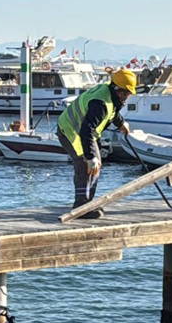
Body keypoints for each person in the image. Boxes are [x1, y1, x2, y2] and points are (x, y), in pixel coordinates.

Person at [57, 69, 135, 219]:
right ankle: (81, 207)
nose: (126, 97)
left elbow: (112, 111)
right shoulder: (100, 103)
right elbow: (86, 130)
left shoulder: (109, 93)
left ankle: (86, 204)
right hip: (72, 131)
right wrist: (91, 156)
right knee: (87, 165)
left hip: (81, 131)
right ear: (116, 89)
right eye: (125, 93)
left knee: (93, 167)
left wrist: (121, 123)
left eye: (128, 94)